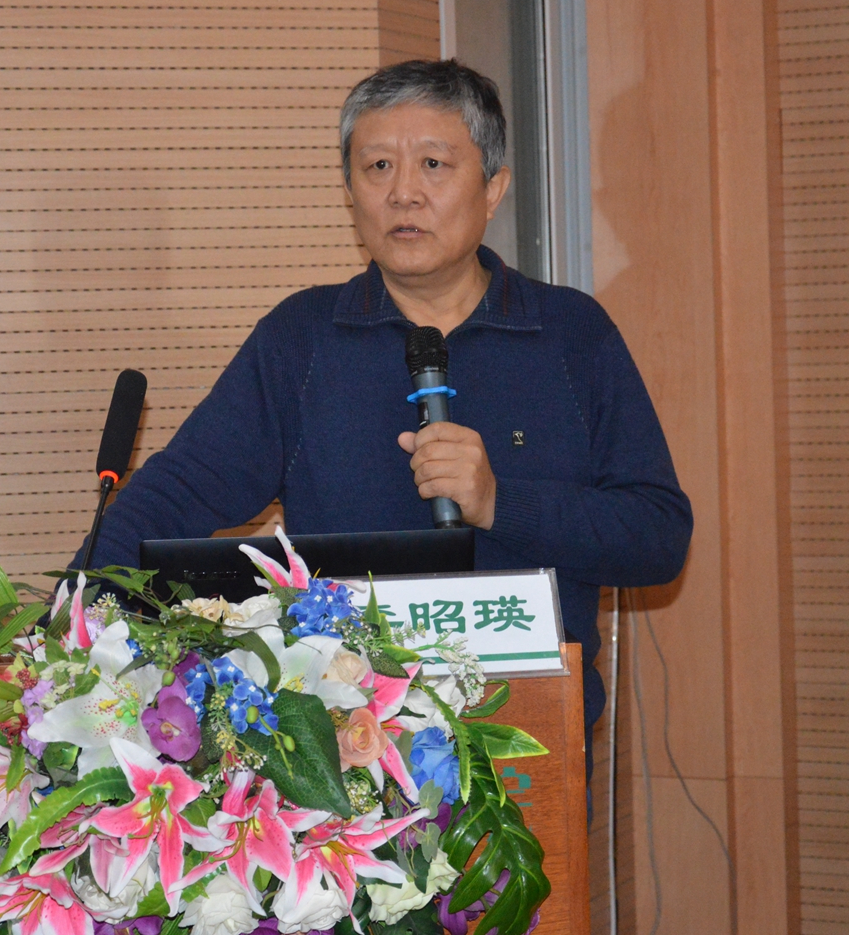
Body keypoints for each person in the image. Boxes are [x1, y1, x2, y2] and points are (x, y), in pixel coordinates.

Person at [66, 59, 691, 770]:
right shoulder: (303, 339)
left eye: (433, 165)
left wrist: (501, 503)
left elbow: (657, 535)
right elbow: (177, 493)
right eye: (378, 167)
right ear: (350, 193)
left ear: (493, 188)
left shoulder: (571, 335)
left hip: (526, 747)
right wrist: (68, 617)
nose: (403, 193)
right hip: (341, 756)